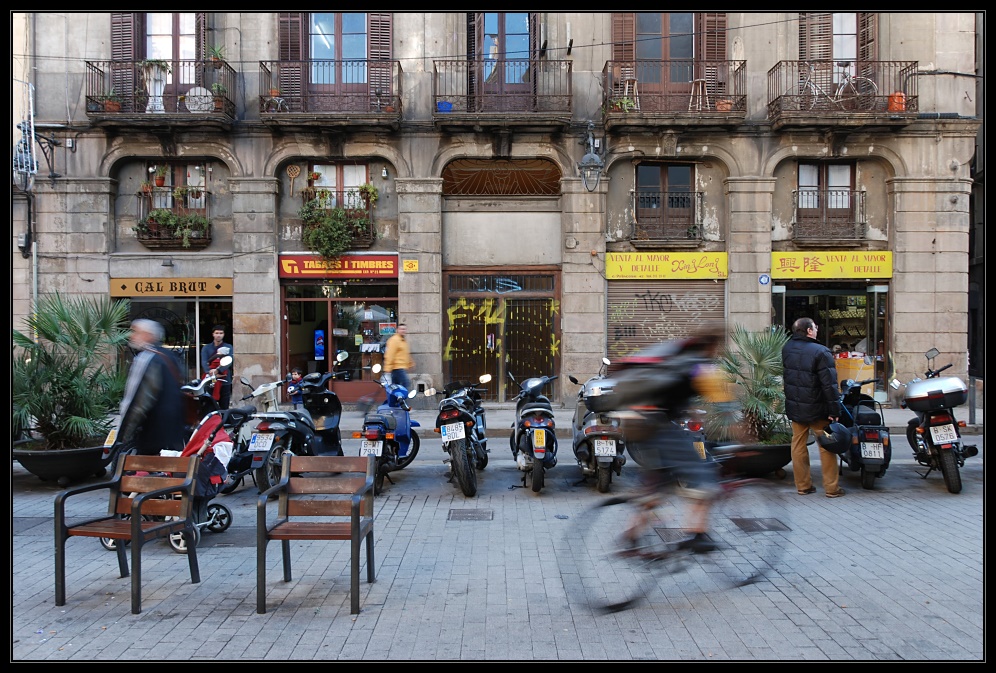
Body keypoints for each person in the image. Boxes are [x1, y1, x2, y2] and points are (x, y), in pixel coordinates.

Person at [611, 325, 731, 554]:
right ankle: (697, 534)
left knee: (659, 485)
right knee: (705, 476)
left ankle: (631, 536)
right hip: (659, 427)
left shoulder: (675, 355)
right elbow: (724, 408)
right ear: (714, 346)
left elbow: (683, 400)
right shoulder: (700, 367)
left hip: (637, 425)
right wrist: (745, 438)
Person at [781, 317, 845, 498]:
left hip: (796, 406)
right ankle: (832, 488)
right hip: (818, 409)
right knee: (826, 446)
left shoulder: (787, 349)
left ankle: (803, 486)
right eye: (815, 327)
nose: (816, 330)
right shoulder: (821, 352)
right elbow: (829, 386)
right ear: (809, 331)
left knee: (798, 445)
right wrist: (835, 410)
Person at [115, 318, 186, 456]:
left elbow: (139, 402)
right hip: (174, 430)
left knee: (148, 470)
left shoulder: (145, 359)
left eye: (135, 332)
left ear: (148, 335)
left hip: (152, 432)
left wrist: (124, 435)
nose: (131, 336)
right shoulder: (170, 356)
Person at [201, 325, 233, 410]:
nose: (219, 335)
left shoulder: (228, 347)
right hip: (209, 380)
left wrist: (218, 370)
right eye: (217, 333)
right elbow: (204, 362)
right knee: (208, 406)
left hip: (225, 380)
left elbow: (229, 361)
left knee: (224, 406)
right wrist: (209, 371)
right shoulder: (206, 348)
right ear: (213, 334)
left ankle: (224, 422)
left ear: (224, 334)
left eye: (221, 333)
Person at [383, 322, 415, 390]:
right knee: (405, 384)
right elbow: (389, 355)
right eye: (401, 329)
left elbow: (406, 354)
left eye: (404, 329)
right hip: (397, 368)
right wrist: (387, 369)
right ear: (397, 330)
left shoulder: (403, 341)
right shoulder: (394, 340)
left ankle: (394, 400)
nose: (403, 331)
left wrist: (410, 364)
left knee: (396, 387)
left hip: (401, 367)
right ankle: (399, 400)